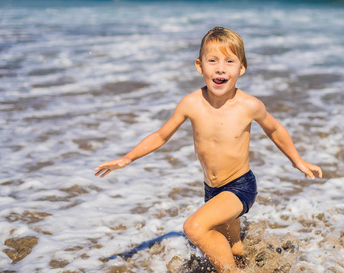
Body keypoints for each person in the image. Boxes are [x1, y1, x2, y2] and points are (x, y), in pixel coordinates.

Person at [94, 26, 322, 273]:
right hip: (212, 190)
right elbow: (161, 135)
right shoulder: (191, 103)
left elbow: (275, 129)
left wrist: (297, 160)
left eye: (229, 61)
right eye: (212, 61)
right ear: (199, 66)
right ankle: (266, 265)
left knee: (194, 227)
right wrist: (128, 158)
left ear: (241, 68)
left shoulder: (249, 105)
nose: (220, 68)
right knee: (234, 249)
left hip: (240, 186)